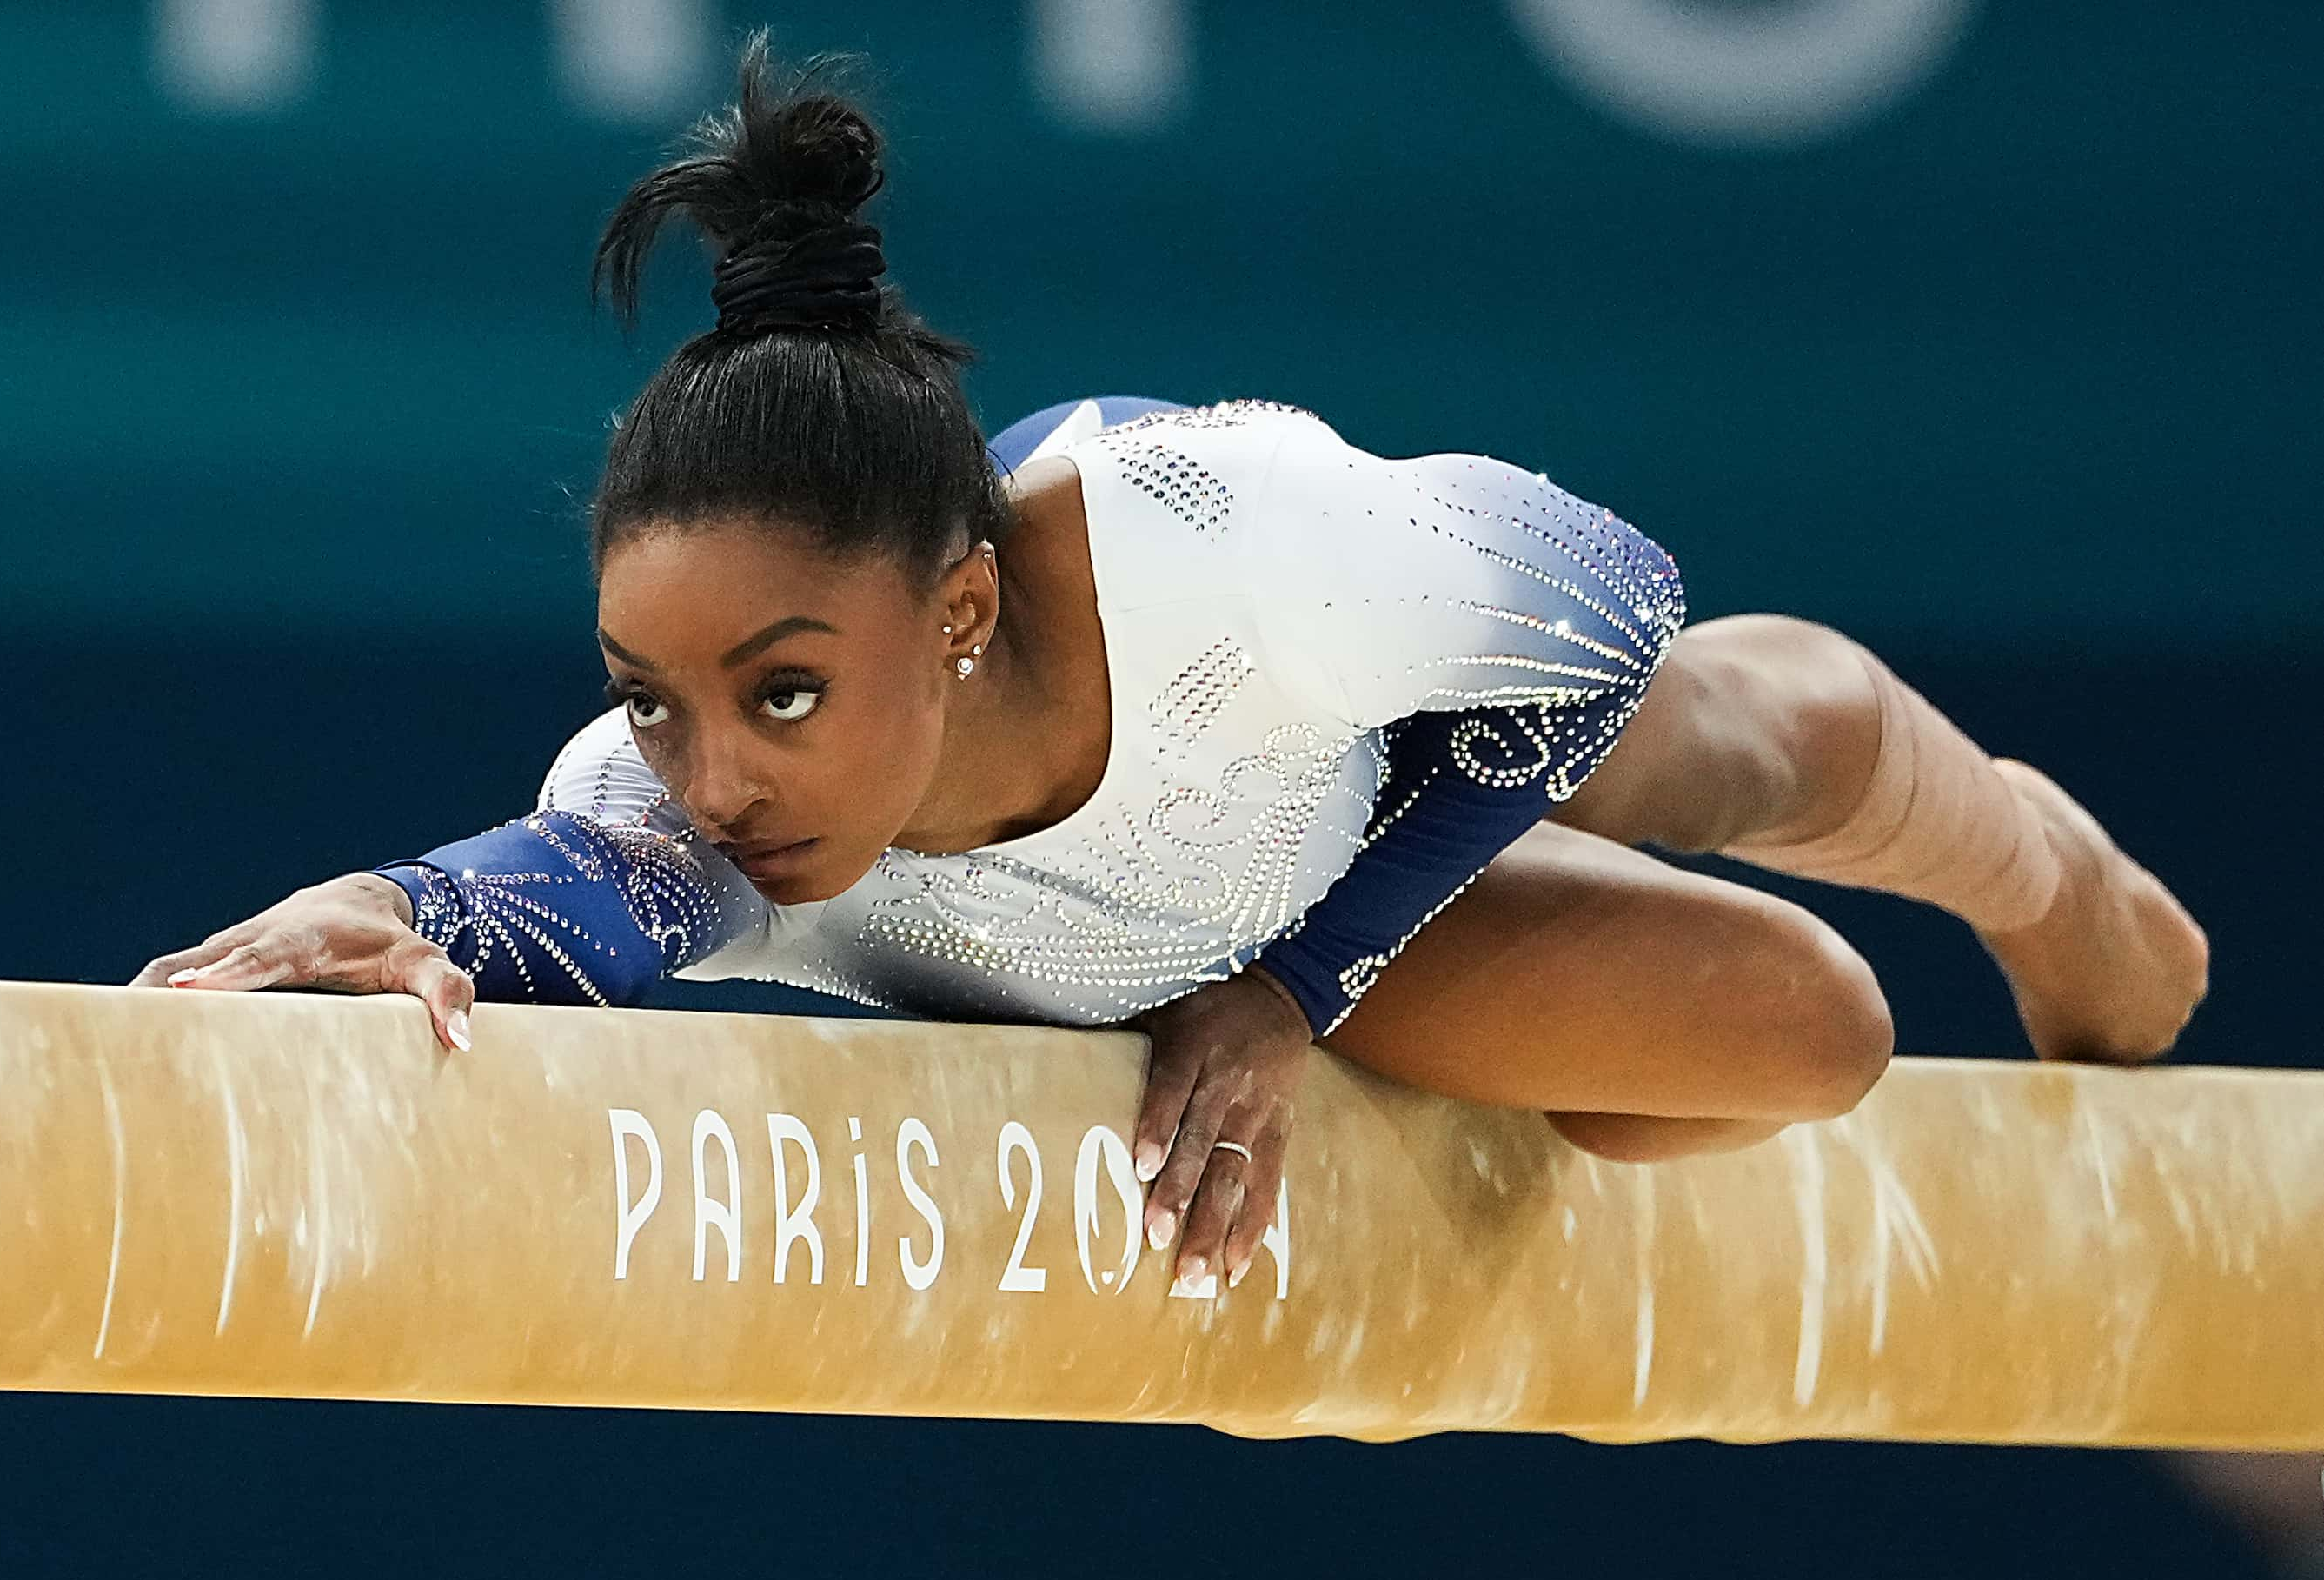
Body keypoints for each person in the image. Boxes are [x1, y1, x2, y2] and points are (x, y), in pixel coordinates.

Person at [133, 34, 2208, 1296]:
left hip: (1364, 759)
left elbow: (1604, 605)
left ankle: (2033, 864)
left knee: (1700, 745)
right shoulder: (697, 832)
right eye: (650, 697)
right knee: (1801, 1031)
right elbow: (567, 895)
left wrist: (1297, 984)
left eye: (779, 690)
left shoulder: (1228, 555)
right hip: (1213, 945)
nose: (712, 771)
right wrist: (396, 913)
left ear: (954, 611)